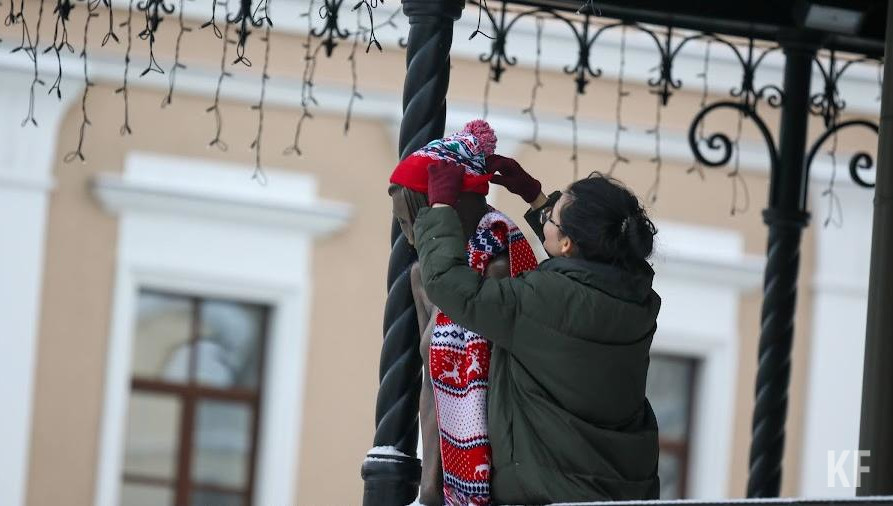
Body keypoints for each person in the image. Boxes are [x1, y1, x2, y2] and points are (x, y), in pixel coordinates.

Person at [413, 154, 662, 504]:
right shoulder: (638, 300)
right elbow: (580, 273)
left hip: (547, 488)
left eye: (554, 216)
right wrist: (536, 199)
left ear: (566, 244)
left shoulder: (542, 300)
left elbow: (450, 286)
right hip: (622, 484)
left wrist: (439, 208)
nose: (549, 215)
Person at [388, 121, 538, 505]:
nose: (408, 238)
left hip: (508, 476)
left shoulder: (500, 270)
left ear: (445, 211)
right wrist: (429, 483)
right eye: (402, 224)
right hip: (448, 482)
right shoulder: (423, 278)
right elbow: (430, 385)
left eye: (413, 221)